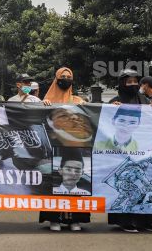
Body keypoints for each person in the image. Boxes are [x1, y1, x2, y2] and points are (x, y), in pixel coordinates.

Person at [105, 69, 152, 233]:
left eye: (135, 81)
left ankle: (146, 220)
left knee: (147, 185)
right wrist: (111, 108)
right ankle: (124, 220)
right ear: (122, 83)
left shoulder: (145, 100)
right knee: (126, 187)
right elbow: (105, 120)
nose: (133, 84)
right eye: (129, 82)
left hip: (144, 151)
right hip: (120, 153)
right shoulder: (115, 101)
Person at [39, 67, 88, 231]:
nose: (66, 79)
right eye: (63, 76)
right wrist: (42, 106)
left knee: (74, 180)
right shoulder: (46, 100)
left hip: (74, 149)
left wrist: (84, 106)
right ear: (56, 79)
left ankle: (75, 219)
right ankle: (54, 219)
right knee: (53, 181)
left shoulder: (77, 100)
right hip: (53, 148)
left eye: (69, 76)